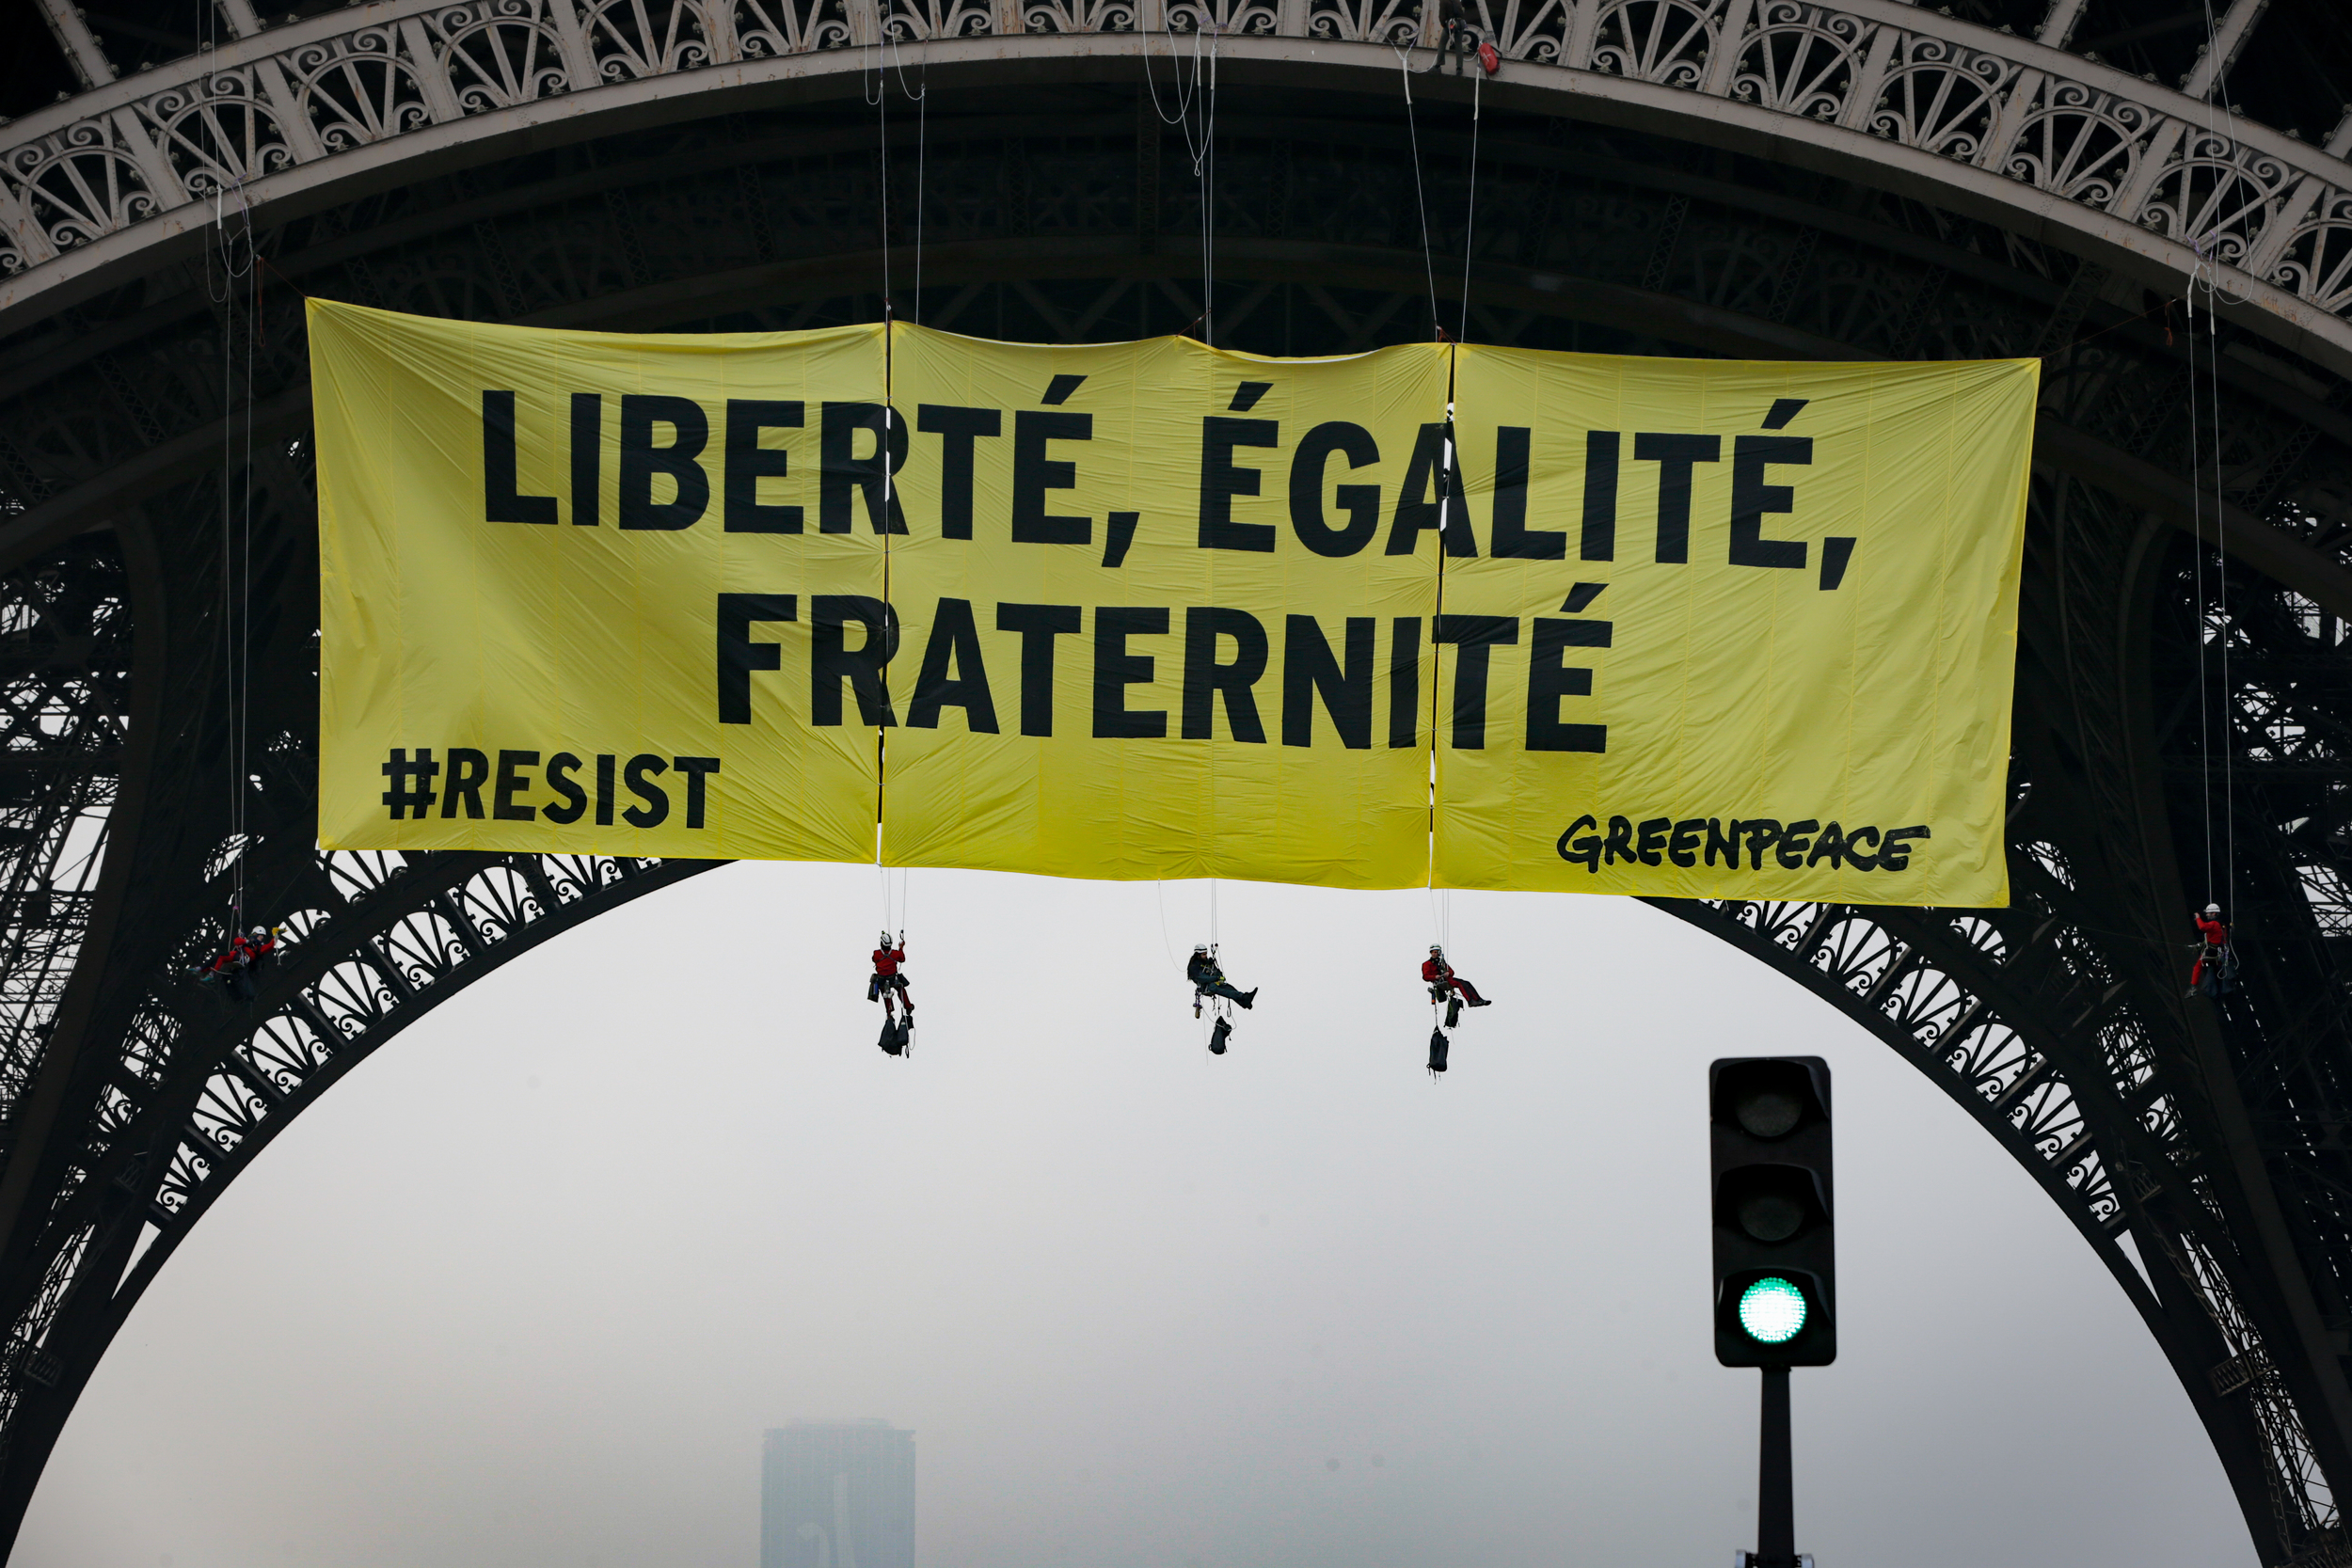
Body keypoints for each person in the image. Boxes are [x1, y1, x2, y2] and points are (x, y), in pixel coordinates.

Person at [1187, 944, 1256, 1009]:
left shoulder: (1206, 962)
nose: (1205, 956)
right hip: (1206, 987)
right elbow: (1202, 978)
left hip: (1213, 983)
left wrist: (1218, 975)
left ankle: (1245, 1003)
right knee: (1225, 991)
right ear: (1198, 955)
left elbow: (1217, 972)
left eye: (1206, 954)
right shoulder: (1194, 966)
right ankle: (1244, 997)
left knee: (1229, 988)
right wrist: (1216, 978)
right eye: (1203, 954)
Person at [1422, 945, 1491, 1007]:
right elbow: (1425, 977)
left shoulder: (1442, 963)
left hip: (1447, 980)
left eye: (1436, 952)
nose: (1435, 954)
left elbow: (1452, 971)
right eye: (1433, 952)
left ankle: (1478, 999)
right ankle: (1470, 1001)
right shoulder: (1427, 964)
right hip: (1439, 983)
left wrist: (1448, 973)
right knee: (1459, 983)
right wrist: (1435, 977)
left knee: (1466, 983)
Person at [2190, 904, 2233, 997]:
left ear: (2214, 913)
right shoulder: (2222, 925)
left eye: (2208, 913)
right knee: (2215, 970)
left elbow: (2202, 927)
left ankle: (2193, 987)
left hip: (2212, 951)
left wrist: (2198, 918)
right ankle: (2217, 990)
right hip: (2220, 951)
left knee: (2198, 967)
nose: (2207, 915)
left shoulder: (2214, 924)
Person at [869, 931, 913, 1018]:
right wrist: (901, 948)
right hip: (892, 978)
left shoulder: (877, 953)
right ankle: (908, 1006)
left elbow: (874, 959)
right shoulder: (895, 953)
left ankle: (889, 1012)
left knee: (884, 991)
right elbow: (902, 959)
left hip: (881, 979)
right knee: (900, 988)